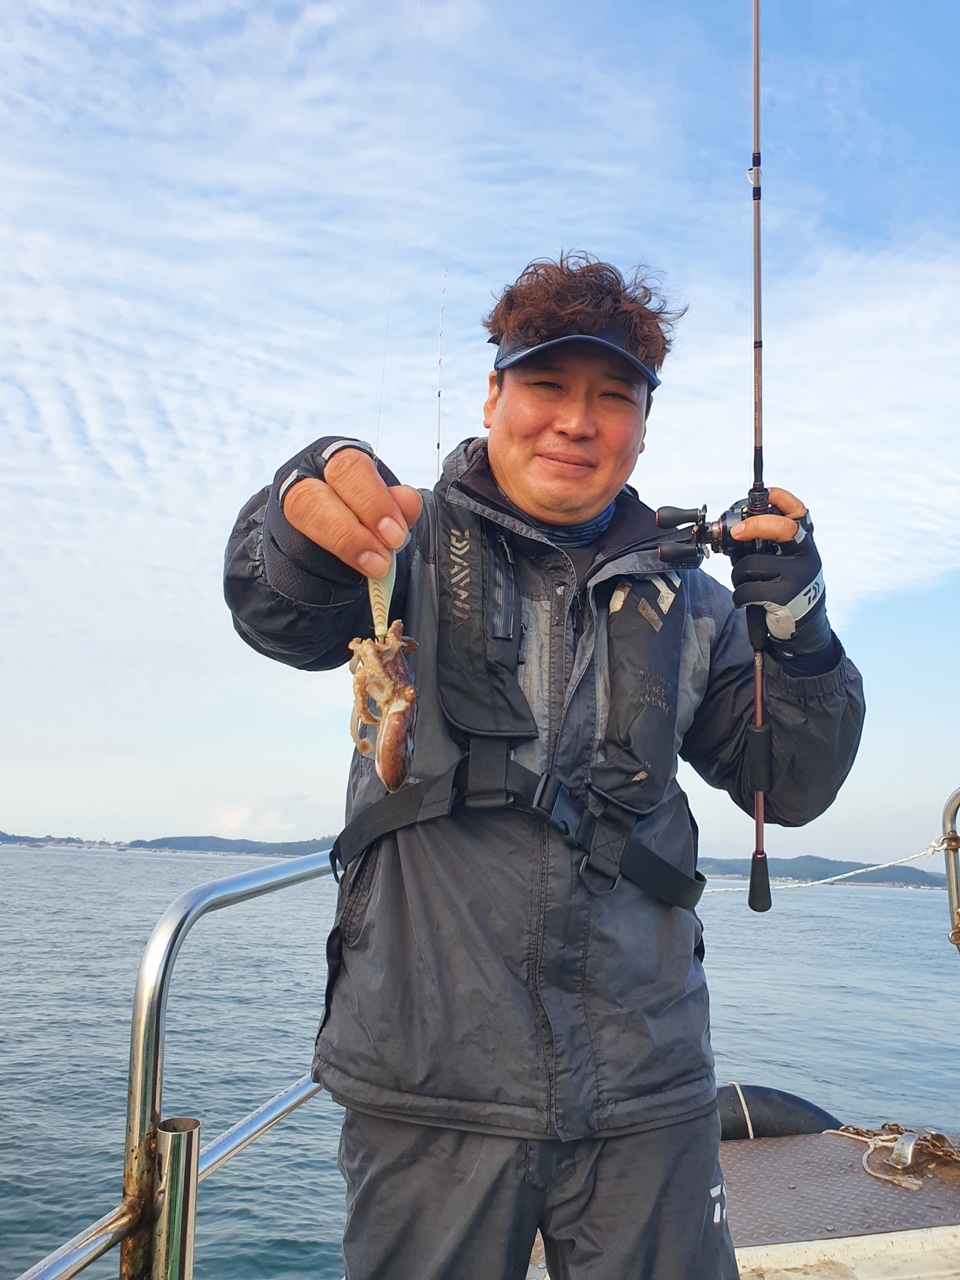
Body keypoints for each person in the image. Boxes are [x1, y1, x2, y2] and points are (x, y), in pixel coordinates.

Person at [224, 253, 864, 1280]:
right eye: (547, 384)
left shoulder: (696, 603)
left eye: (613, 396)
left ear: (643, 426)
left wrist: (800, 629)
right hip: (428, 1079)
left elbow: (788, 784)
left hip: (647, 1083)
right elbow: (277, 610)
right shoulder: (403, 540)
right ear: (494, 396)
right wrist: (297, 519)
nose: (576, 420)